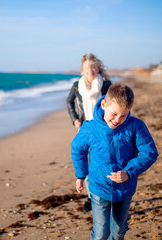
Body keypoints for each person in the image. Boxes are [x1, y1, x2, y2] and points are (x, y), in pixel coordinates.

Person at [71, 83, 158, 240]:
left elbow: (149, 153)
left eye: (123, 115)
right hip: (99, 187)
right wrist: (80, 175)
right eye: (114, 114)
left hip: (125, 188)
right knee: (100, 233)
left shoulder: (136, 126)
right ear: (104, 104)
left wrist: (129, 172)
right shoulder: (89, 128)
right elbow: (78, 149)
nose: (118, 120)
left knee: (118, 233)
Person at [67, 53, 112, 212]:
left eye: (93, 66)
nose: (90, 70)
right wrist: (75, 119)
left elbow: (113, 104)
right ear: (82, 70)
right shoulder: (76, 86)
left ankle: (104, 195)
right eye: (87, 67)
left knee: (100, 162)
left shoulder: (106, 85)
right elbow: (69, 102)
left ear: (98, 68)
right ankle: (90, 197)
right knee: (85, 163)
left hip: (103, 130)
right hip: (85, 129)